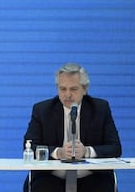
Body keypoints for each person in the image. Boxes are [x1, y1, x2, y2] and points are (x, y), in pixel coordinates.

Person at [23, 63, 122, 192]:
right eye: (62, 89)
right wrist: (59, 153)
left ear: (85, 89)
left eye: (73, 89)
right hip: (51, 177)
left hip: (92, 177)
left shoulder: (100, 108)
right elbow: (29, 145)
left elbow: (115, 148)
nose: (67, 94)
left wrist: (87, 151)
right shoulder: (42, 110)